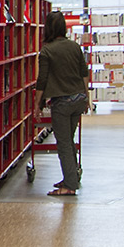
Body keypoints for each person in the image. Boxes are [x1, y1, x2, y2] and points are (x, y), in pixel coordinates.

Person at [34, 11, 90, 197]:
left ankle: (69, 186)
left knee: (63, 143)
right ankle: (71, 177)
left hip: (62, 103)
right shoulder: (75, 46)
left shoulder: (47, 51)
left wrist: (37, 104)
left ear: (48, 28)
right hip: (78, 99)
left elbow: (42, 80)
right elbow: (84, 73)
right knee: (69, 140)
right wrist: (87, 98)